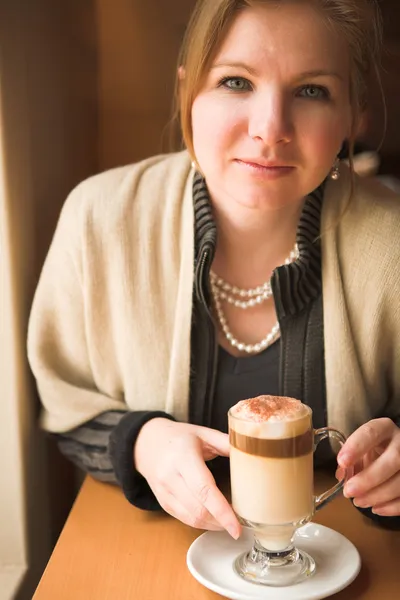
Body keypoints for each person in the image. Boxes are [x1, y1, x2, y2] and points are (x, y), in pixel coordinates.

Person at [27, 0, 400, 539]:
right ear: (187, 92)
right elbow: (63, 399)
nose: (270, 129)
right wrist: (140, 440)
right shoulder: (99, 219)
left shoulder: (392, 241)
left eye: (312, 90)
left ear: (352, 116)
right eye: (236, 82)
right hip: (144, 551)